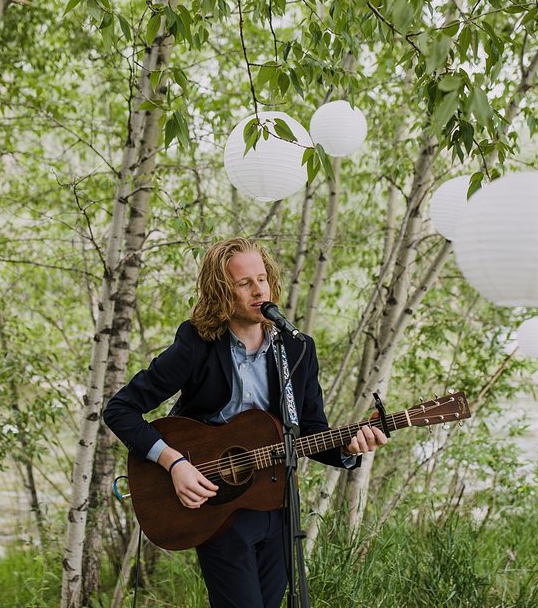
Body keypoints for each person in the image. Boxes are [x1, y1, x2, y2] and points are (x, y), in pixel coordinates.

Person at [103, 236, 387, 608]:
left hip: (280, 506)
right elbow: (120, 409)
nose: (258, 291)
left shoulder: (297, 349)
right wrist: (175, 464)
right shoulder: (196, 343)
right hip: (220, 509)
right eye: (244, 283)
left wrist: (350, 449)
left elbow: (312, 431)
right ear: (221, 291)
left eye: (262, 279)